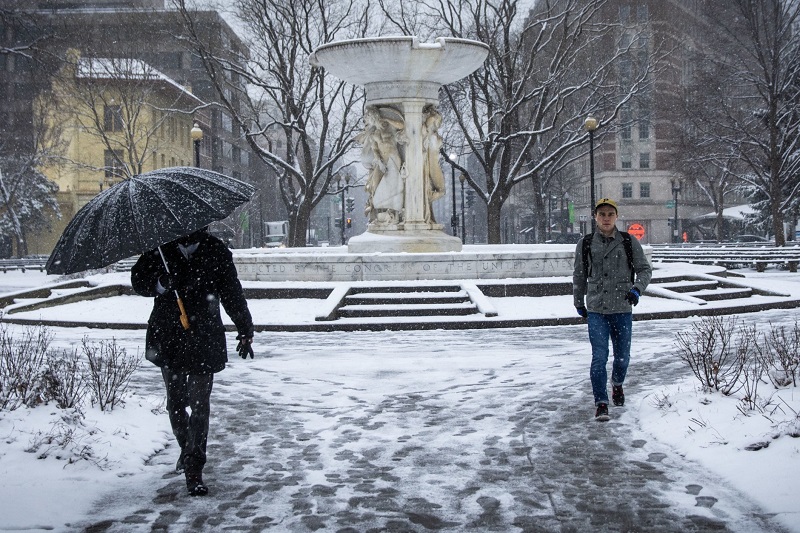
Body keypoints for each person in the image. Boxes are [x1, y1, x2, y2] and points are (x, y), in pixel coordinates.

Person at [131, 227, 254, 496]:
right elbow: (138, 281)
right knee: (175, 403)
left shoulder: (216, 250)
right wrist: (162, 283)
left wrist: (245, 329)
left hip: (203, 336)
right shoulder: (160, 248)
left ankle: (194, 467)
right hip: (169, 337)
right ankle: (188, 448)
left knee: (199, 405)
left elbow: (232, 292)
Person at [573, 198, 652, 422]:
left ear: (616, 217)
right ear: (595, 218)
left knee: (622, 359)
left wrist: (637, 289)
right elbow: (579, 274)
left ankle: (617, 384)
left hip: (622, 308)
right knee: (599, 358)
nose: (606, 218)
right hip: (597, 308)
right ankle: (601, 403)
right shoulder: (586, 243)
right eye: (602, 214)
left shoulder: (628, 241)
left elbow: (645, 269)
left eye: (610, 214)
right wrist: (579, 302)